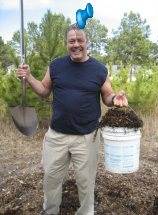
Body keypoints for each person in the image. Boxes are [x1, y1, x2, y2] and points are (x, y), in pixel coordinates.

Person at [17, 24, 128, 215]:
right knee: (51, 179)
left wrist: (114, 99)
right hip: (56, 137)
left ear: (87, 42)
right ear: (66, 44)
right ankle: (50, 211)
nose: (76, 44)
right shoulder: (56, 66)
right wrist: (28, 77)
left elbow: (107, 95)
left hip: (86, 138)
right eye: (71, 41)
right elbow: (44, 90)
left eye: (80, 40)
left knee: (85, 182)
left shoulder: (99, 69)